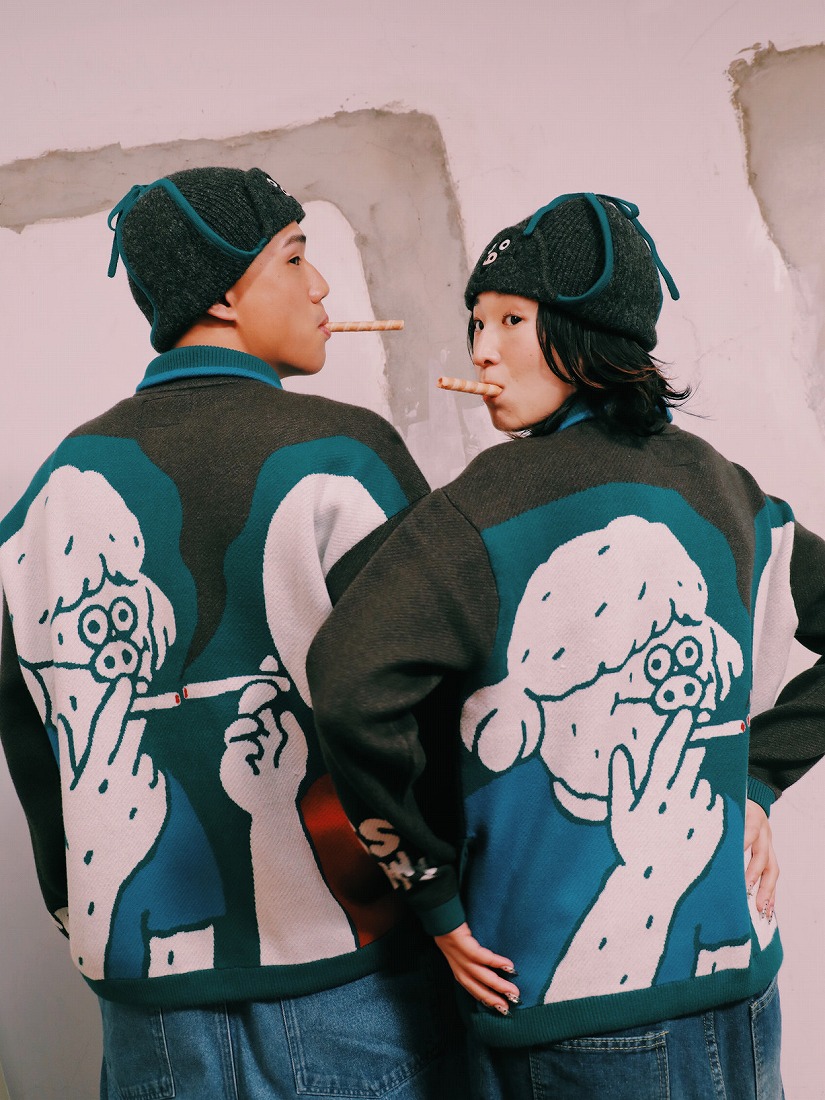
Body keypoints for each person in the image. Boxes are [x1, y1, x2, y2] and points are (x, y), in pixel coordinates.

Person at [305, 191, 825, 1099]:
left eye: (510, 319)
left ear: (590, 334)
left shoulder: (481, 508)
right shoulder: (723, 487)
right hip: (739, 984)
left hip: (561, 1011)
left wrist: (428, 888)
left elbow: (348, 688)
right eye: (476, 321)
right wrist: (755, 780)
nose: (481, 349)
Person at [0, 166, 467, 1099]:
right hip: (350, 979)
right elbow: (433, 707)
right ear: (221, 292)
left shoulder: (50, 495)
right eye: (293, 258)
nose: (320, 287)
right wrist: (443, 899)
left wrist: (80, 908)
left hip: (145, 1007)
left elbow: (29, 731)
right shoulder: (342, 457)